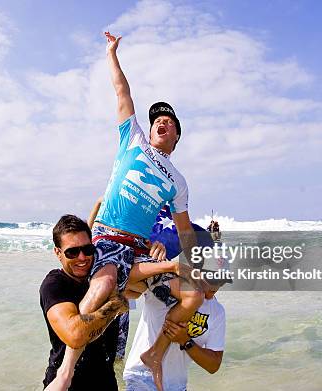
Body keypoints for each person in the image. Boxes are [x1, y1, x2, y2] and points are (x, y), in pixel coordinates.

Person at [47, 31, 207, 391]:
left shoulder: (178, 181)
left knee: (192, 293)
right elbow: (122, 92)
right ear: (149, 129)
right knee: (103, 283)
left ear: (177, 138)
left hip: (137, 249)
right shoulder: (132, 138)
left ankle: (154, 355)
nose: (161, 124)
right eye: (157, 121)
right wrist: (110, 53)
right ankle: (66, 370)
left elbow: (184, 232)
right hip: (108, 237)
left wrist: (197, 264)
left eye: (170, 123)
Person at [40, 214, 129, 390]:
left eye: (87, 249)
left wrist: (156, 248)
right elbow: (75, 335)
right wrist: (114, 305)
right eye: (72, 252)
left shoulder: (103, 275)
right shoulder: (54, 284)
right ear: (58, 252)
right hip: (65, 385)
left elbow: (148, 279)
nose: (82, 257)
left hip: (106, 383)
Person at [124, 279, 226, 391]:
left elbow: (213, 365)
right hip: (142, 376)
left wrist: (186, 341)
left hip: (177, 386)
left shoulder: (217, 311)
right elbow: (128, 280)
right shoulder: (167, 282)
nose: (217, 284)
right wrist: (166, 266)